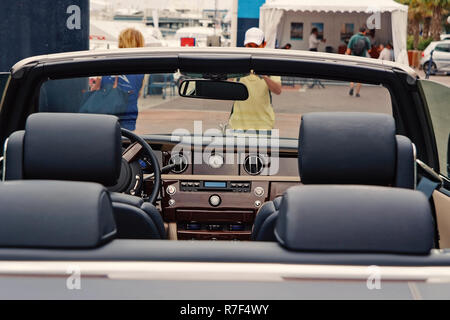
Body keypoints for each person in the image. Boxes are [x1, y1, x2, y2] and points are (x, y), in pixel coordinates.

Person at [228, 28, 282, 131]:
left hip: (263, 126)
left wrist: (265, 76)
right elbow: (228, 87)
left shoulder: (271, 64)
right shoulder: (238, 63)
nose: (252, 49)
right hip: (238, 125)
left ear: (264, 44)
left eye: (256, 46)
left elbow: (278, 90)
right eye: (249, 46)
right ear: (244, 45)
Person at [92, 28, 145, 130]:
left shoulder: (108, 62)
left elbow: (95, 90)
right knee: (125, 143)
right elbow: (137, 94)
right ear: (139, 43)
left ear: (121, 41)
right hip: (128, 116)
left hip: (106, 116)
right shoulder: (142, 68)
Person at [346, 26, 371, 97]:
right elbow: (369, 50)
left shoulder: (353, 38)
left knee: (352, 74)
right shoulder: (366, 39)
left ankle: (351, 87)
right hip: (362, 60)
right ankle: (357, 93)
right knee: (360, 76)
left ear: (358, 30)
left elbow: (348, 51)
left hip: (353, 59)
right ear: (364, 32)